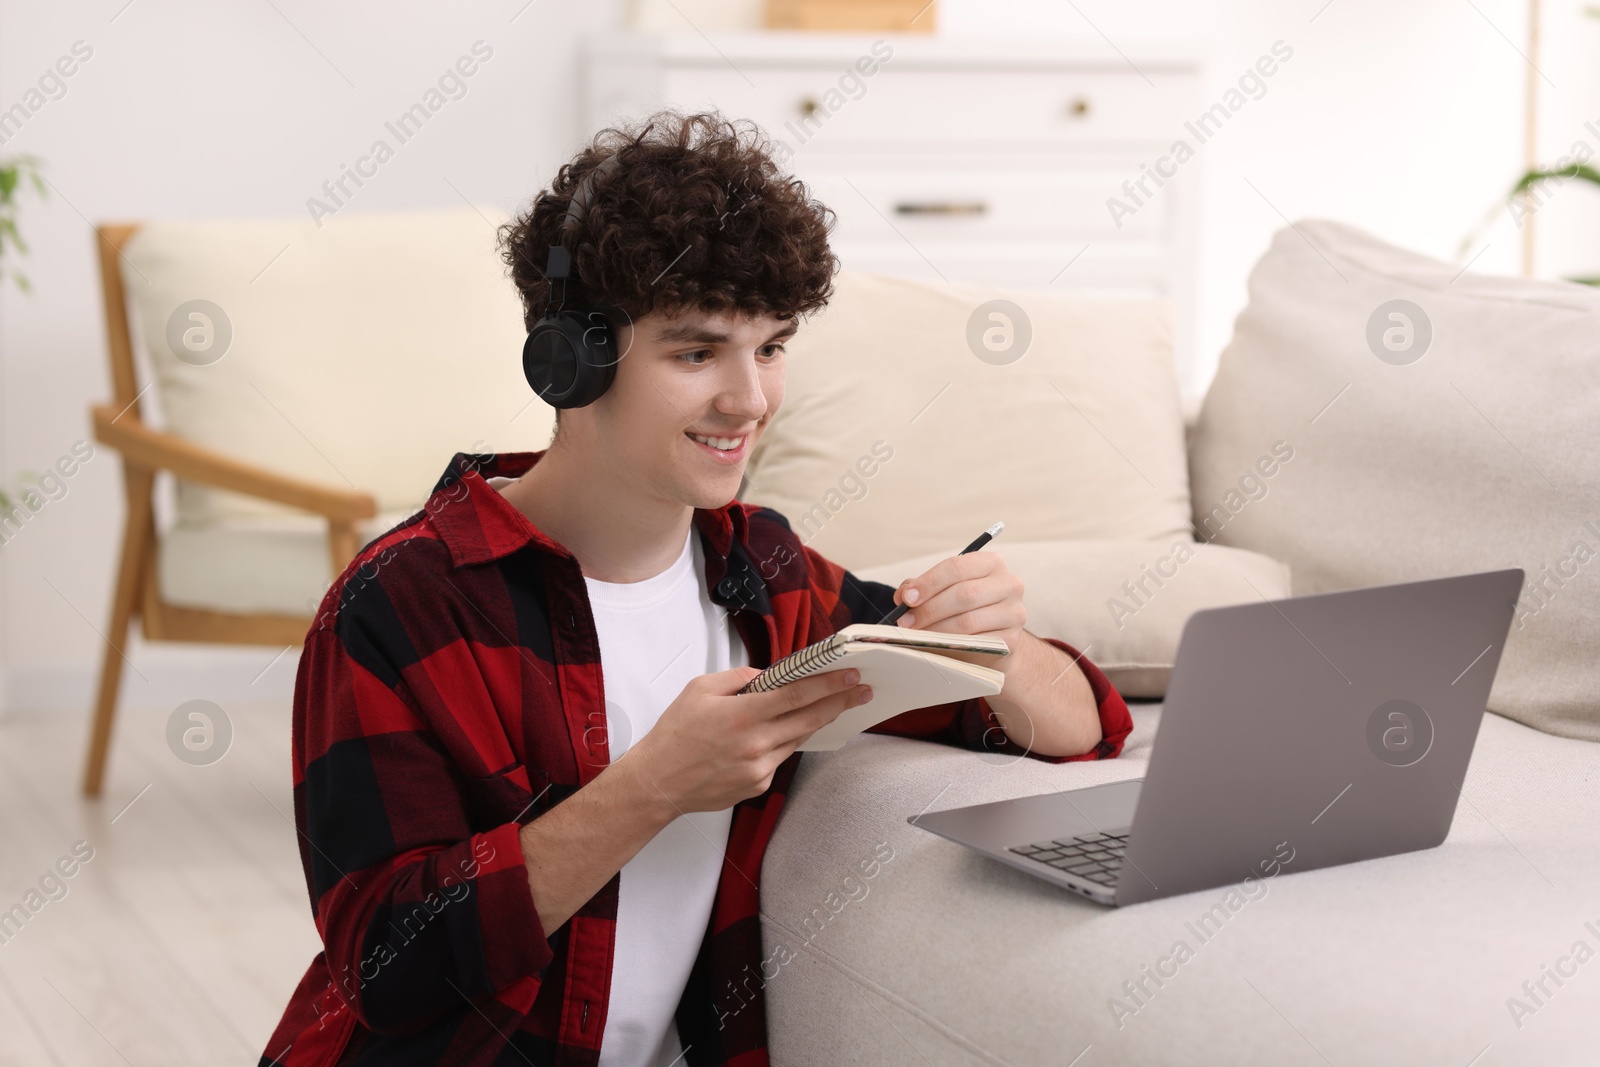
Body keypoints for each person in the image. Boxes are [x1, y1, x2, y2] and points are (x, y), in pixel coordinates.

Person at [260, 110, 1132, 1067]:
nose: (750, 399)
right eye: (697, 352)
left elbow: (1081, 725)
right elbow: (386, 964)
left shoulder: (765, 572)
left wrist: (997, 649)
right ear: (572, 360)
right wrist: (653, 787)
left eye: (770, 347)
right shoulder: (400, 605)